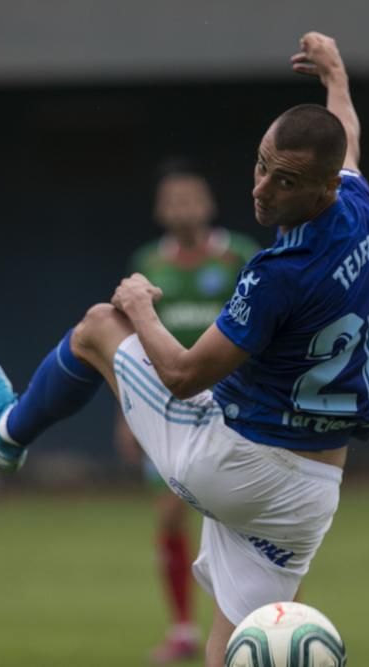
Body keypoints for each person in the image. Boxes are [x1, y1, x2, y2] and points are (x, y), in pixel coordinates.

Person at [0, 32, 369, 667]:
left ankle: (7, 432)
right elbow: (345, 135)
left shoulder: (280, 272)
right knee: (229, 654)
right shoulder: (360, 202)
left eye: (287, 179)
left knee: (99, 327)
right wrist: (337, 80)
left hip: (238, 463)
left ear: (324, 189)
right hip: (311, 495)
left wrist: (138, 307)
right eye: (261, 163)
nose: (264, 188)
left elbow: (185, 374)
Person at [116, 158, 259, 663]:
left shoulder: (239, 255)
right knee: (172, 514)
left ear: (208, 204)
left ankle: (257, 625)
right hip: (168, 407)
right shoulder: (148, 264)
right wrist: (126, 412)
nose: (183, 208)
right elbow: (131, 340)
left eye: (191, 198)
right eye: (173, 200)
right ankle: (182, 628)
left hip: (232, 406)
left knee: (241, 521)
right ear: (160, 210)